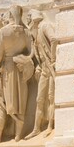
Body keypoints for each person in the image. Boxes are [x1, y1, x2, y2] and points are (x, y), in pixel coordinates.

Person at [0, 5, 34, 144]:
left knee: (3, 102)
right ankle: (18, 135)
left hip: (8, 70)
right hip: (21, 70)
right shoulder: (26, 32)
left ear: (10, 15)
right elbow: (31, 52)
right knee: (20, 101)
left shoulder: (4, 32)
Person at [25, 10, 57, 139]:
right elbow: (37, 53)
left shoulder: (45, 25)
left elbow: (54, 39)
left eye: (29, 17)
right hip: (44, 69)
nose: (27, 20)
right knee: (40, 99)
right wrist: (38, 65)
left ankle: (50, 126)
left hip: (51, 67)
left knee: (51, 97)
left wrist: (54, 59)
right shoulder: (36, 32)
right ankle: (36, 128)